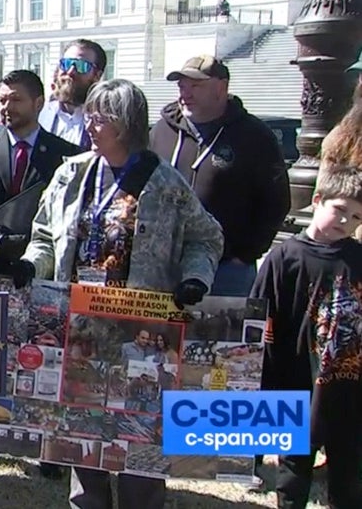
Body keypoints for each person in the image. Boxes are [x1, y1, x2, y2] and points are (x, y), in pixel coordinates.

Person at [21, 78, 223, 509]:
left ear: (127, 123)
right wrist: (29, 265)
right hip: (79, 329)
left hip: (143, 334)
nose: (90, 123)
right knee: (82, 443)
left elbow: (207, 239)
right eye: (89, 113)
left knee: (140, 453)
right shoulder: (71, 173)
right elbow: (43, 235)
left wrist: (195, 279)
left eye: (101, 116)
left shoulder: (166, 183)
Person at [0, 69, 81, 475]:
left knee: (43, 357)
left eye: (14, 100)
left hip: (42, 274)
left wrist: (32, 251)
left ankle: (45, 445)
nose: (5, 108)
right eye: (1, 99)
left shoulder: (66, 155)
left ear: (38, 103)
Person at [252, 164, 362, 509]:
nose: (346, 222)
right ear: (317, 200)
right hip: (295, 379)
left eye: (357, 217)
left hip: (347, 386)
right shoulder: (285, 256)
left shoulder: (358, 258)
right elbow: (258, 317)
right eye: (340, 210)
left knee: (349, 472)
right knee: (294, 466)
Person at [150, 55, 290, 297]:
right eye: (182, 86)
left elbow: (275, 202)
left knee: (216, 333)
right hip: (163, 265)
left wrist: (245, 254)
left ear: (221, 87)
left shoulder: (254, 136)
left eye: (196, 86)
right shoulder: (161, 131)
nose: (186, 94)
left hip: (226, 270)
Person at [38, 39, 107, 149]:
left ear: (97, 76)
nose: (70, 71)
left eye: (81, 66)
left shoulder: (105, 121)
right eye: (66, 63)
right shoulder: (40, 113)